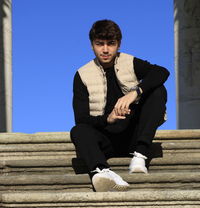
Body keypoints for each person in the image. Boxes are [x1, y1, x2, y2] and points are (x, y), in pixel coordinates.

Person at [70, 19, 170, 192]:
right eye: (99, 44)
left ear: (119, 44)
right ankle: (102, 171)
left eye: (111, 43)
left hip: (134, 135)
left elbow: (162, 72)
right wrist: (107, 119)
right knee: (77, 131)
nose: (106, 49)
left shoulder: (129, 62)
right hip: (106, 139)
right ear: (92, 45)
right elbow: (81, 119)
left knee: (158, 90)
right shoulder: (82, 75)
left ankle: (140, 157)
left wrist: (135, 92)